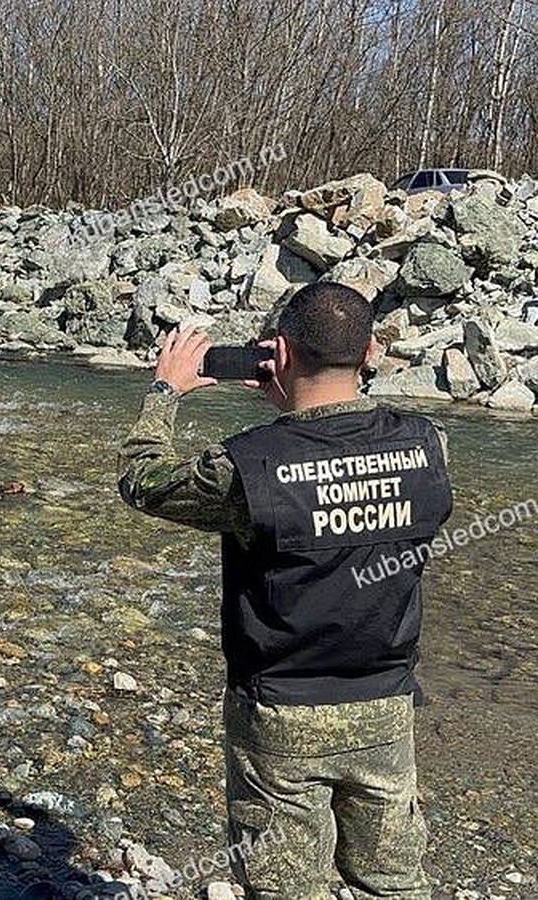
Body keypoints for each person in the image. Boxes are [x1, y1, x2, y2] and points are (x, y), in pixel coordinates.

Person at [117, 282, 453, 899]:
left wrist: (165, 391)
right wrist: (299, 400)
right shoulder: (429, 443)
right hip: (387, 705)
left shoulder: (250, 464)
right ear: (371, 351)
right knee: (395, 885)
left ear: (281, 353)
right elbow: (348, 448)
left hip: (282, 714)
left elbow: (143, 481)